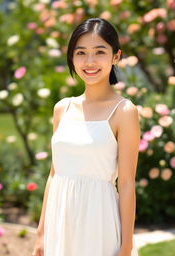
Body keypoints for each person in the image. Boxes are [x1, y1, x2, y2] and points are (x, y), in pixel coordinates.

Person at [31, 17, 140, 256]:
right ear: (72, 57)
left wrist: (127, 246)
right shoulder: (62, 108)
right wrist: (41, 234)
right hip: (60, 222)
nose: (89, 62)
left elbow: (126, 183)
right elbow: (53, 174)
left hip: (98, 223)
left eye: (99, 52)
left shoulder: (124, 112)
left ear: (116, 56)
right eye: (81, 53)